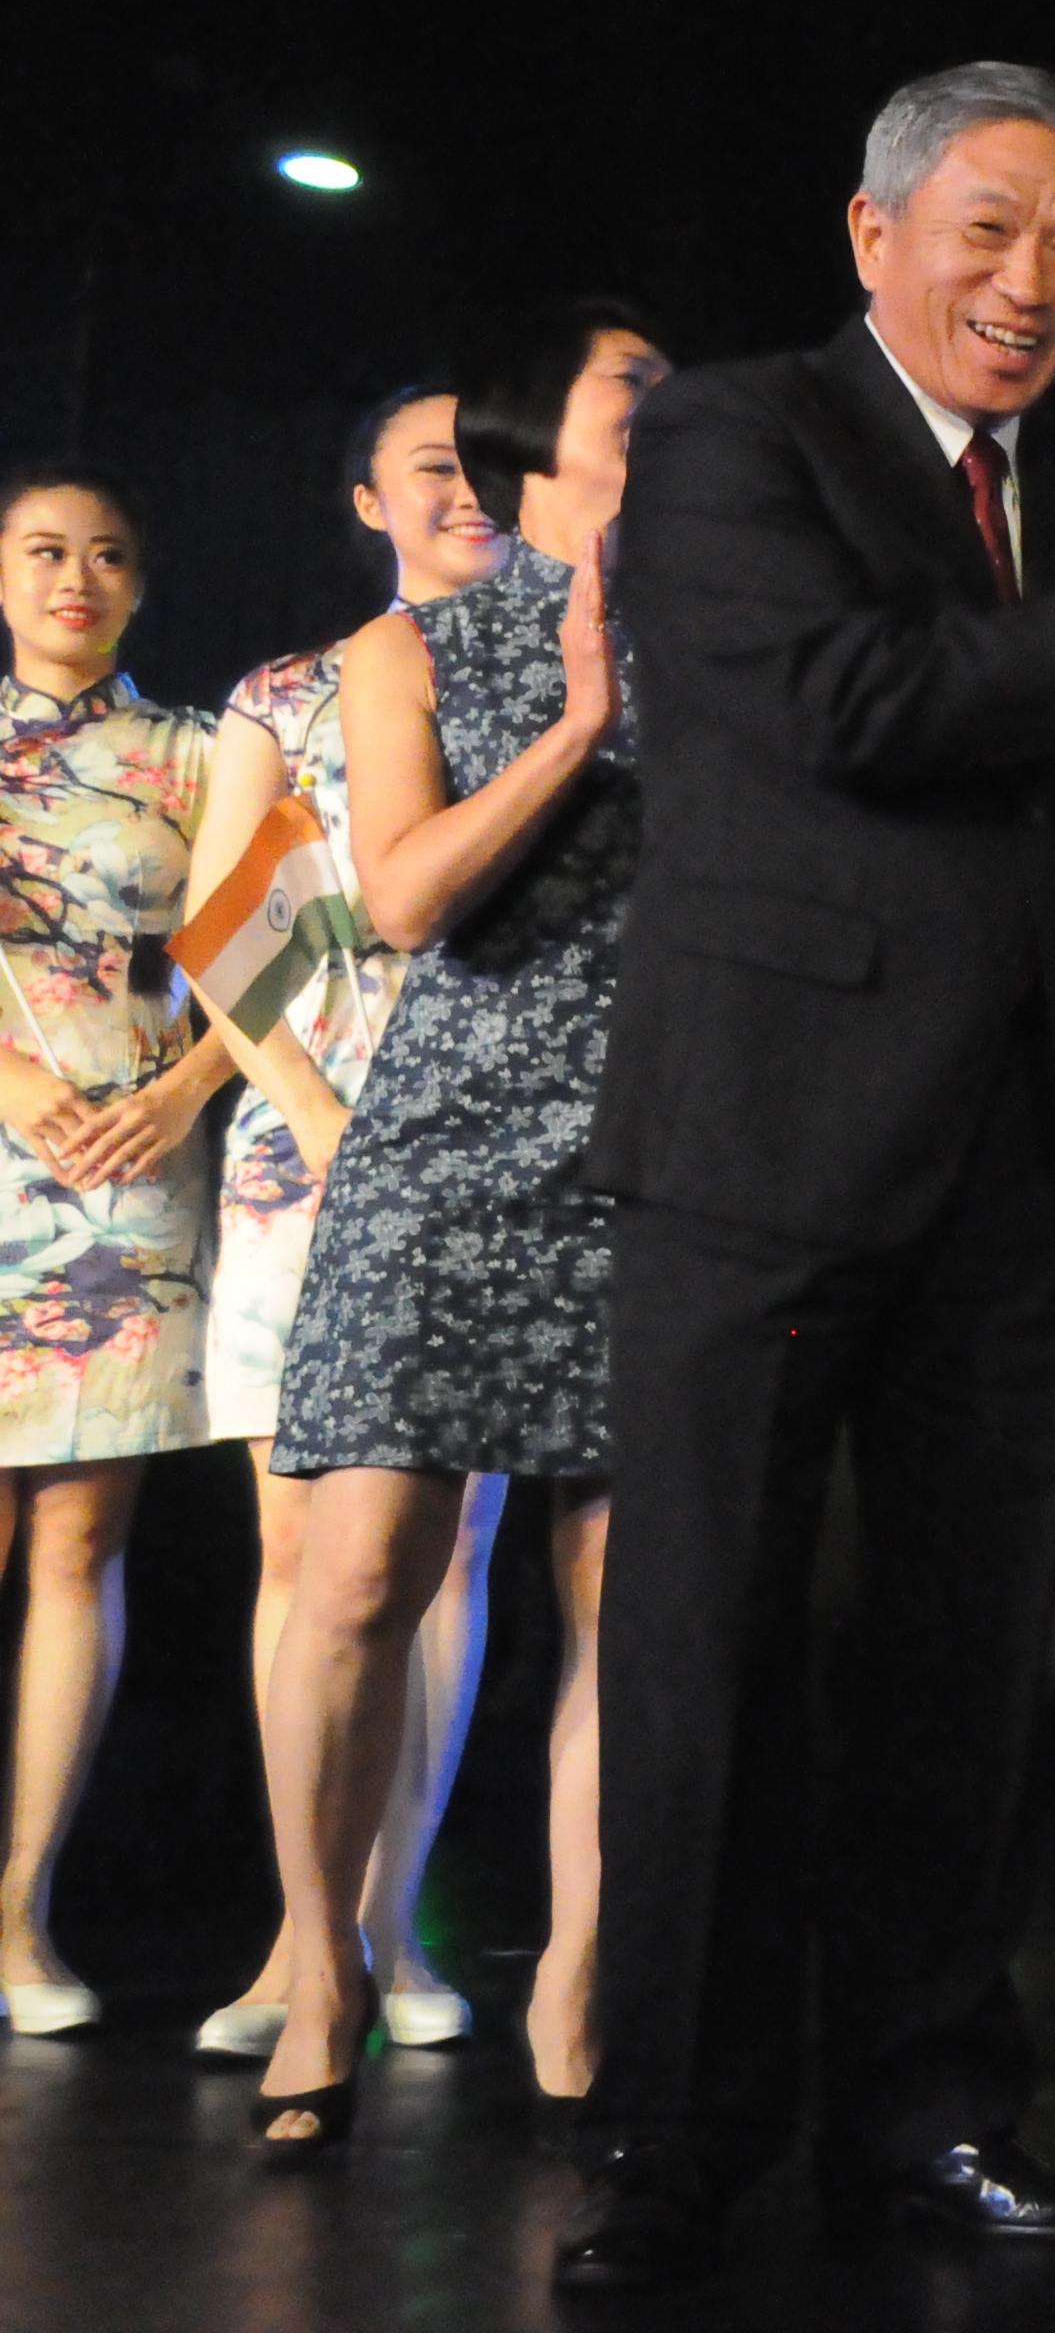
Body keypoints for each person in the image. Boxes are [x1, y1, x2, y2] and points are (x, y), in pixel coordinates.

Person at [559, 64, 1055, 2291]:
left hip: (1013, 1148)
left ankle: (925, 2113)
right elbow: (840, 698)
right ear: (871, 234)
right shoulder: (733, 434)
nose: (1032, 283)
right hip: (758, 1145)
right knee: (708, 1657)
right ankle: (669, 2146)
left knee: (965, 1670)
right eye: (989, 230)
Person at [248, 306, 666, 2158]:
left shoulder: (723, 642)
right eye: (628, 401)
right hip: (443, 1141)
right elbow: (407, 893)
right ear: (534, 455)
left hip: (654, 1146)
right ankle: (324, 1958)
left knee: (618, 1602)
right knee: (356, 1580)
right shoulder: (402, 645)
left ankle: (581, 1961)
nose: (667, 422)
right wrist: (580, 724)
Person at [184, 388, 500, 2072]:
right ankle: (305, 1936)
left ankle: (400, 1921)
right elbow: (220, 930)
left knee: (442, 1556)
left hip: (483, 1165)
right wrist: (314, 1115)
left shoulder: (549, 678)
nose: (461, 491)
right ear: (366, 492)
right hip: (303, 1166)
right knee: (301, 1558)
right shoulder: (284, 694)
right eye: (429, 466)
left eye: (480, 463)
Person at [0, 469, 229, 2041]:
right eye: (42, 551)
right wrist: (20, 1088)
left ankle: (20, 1918)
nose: (76, 576)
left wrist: (183, 1091)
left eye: (107, 554)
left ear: (143, 581)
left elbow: (291, 943)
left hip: (138, 1170)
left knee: (81, 1551)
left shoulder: (204, 754)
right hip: (5, 1133)